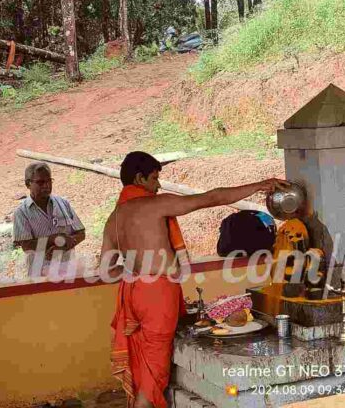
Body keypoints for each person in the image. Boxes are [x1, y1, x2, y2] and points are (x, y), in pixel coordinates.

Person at [101, 151, 287, 408]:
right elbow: (211, 198)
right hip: (157, 294)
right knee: (155, 368)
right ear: (139, 178)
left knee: (142, 363)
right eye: (154, 179)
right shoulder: (155, 205)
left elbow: (106, 271)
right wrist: (258, 185)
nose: (158, 185)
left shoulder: (114, 218)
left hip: (132, 294)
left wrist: (137, 273)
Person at [13, 163, 85, 278]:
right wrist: (54, 239)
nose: (46, 186)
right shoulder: (21, 212)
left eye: (49, 181)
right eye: (41, 182)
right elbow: (27, 245)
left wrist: (63, 245)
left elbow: (81, 233)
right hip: (40, 276)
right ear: (28, 184)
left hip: (68, 273)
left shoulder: (63, 203)